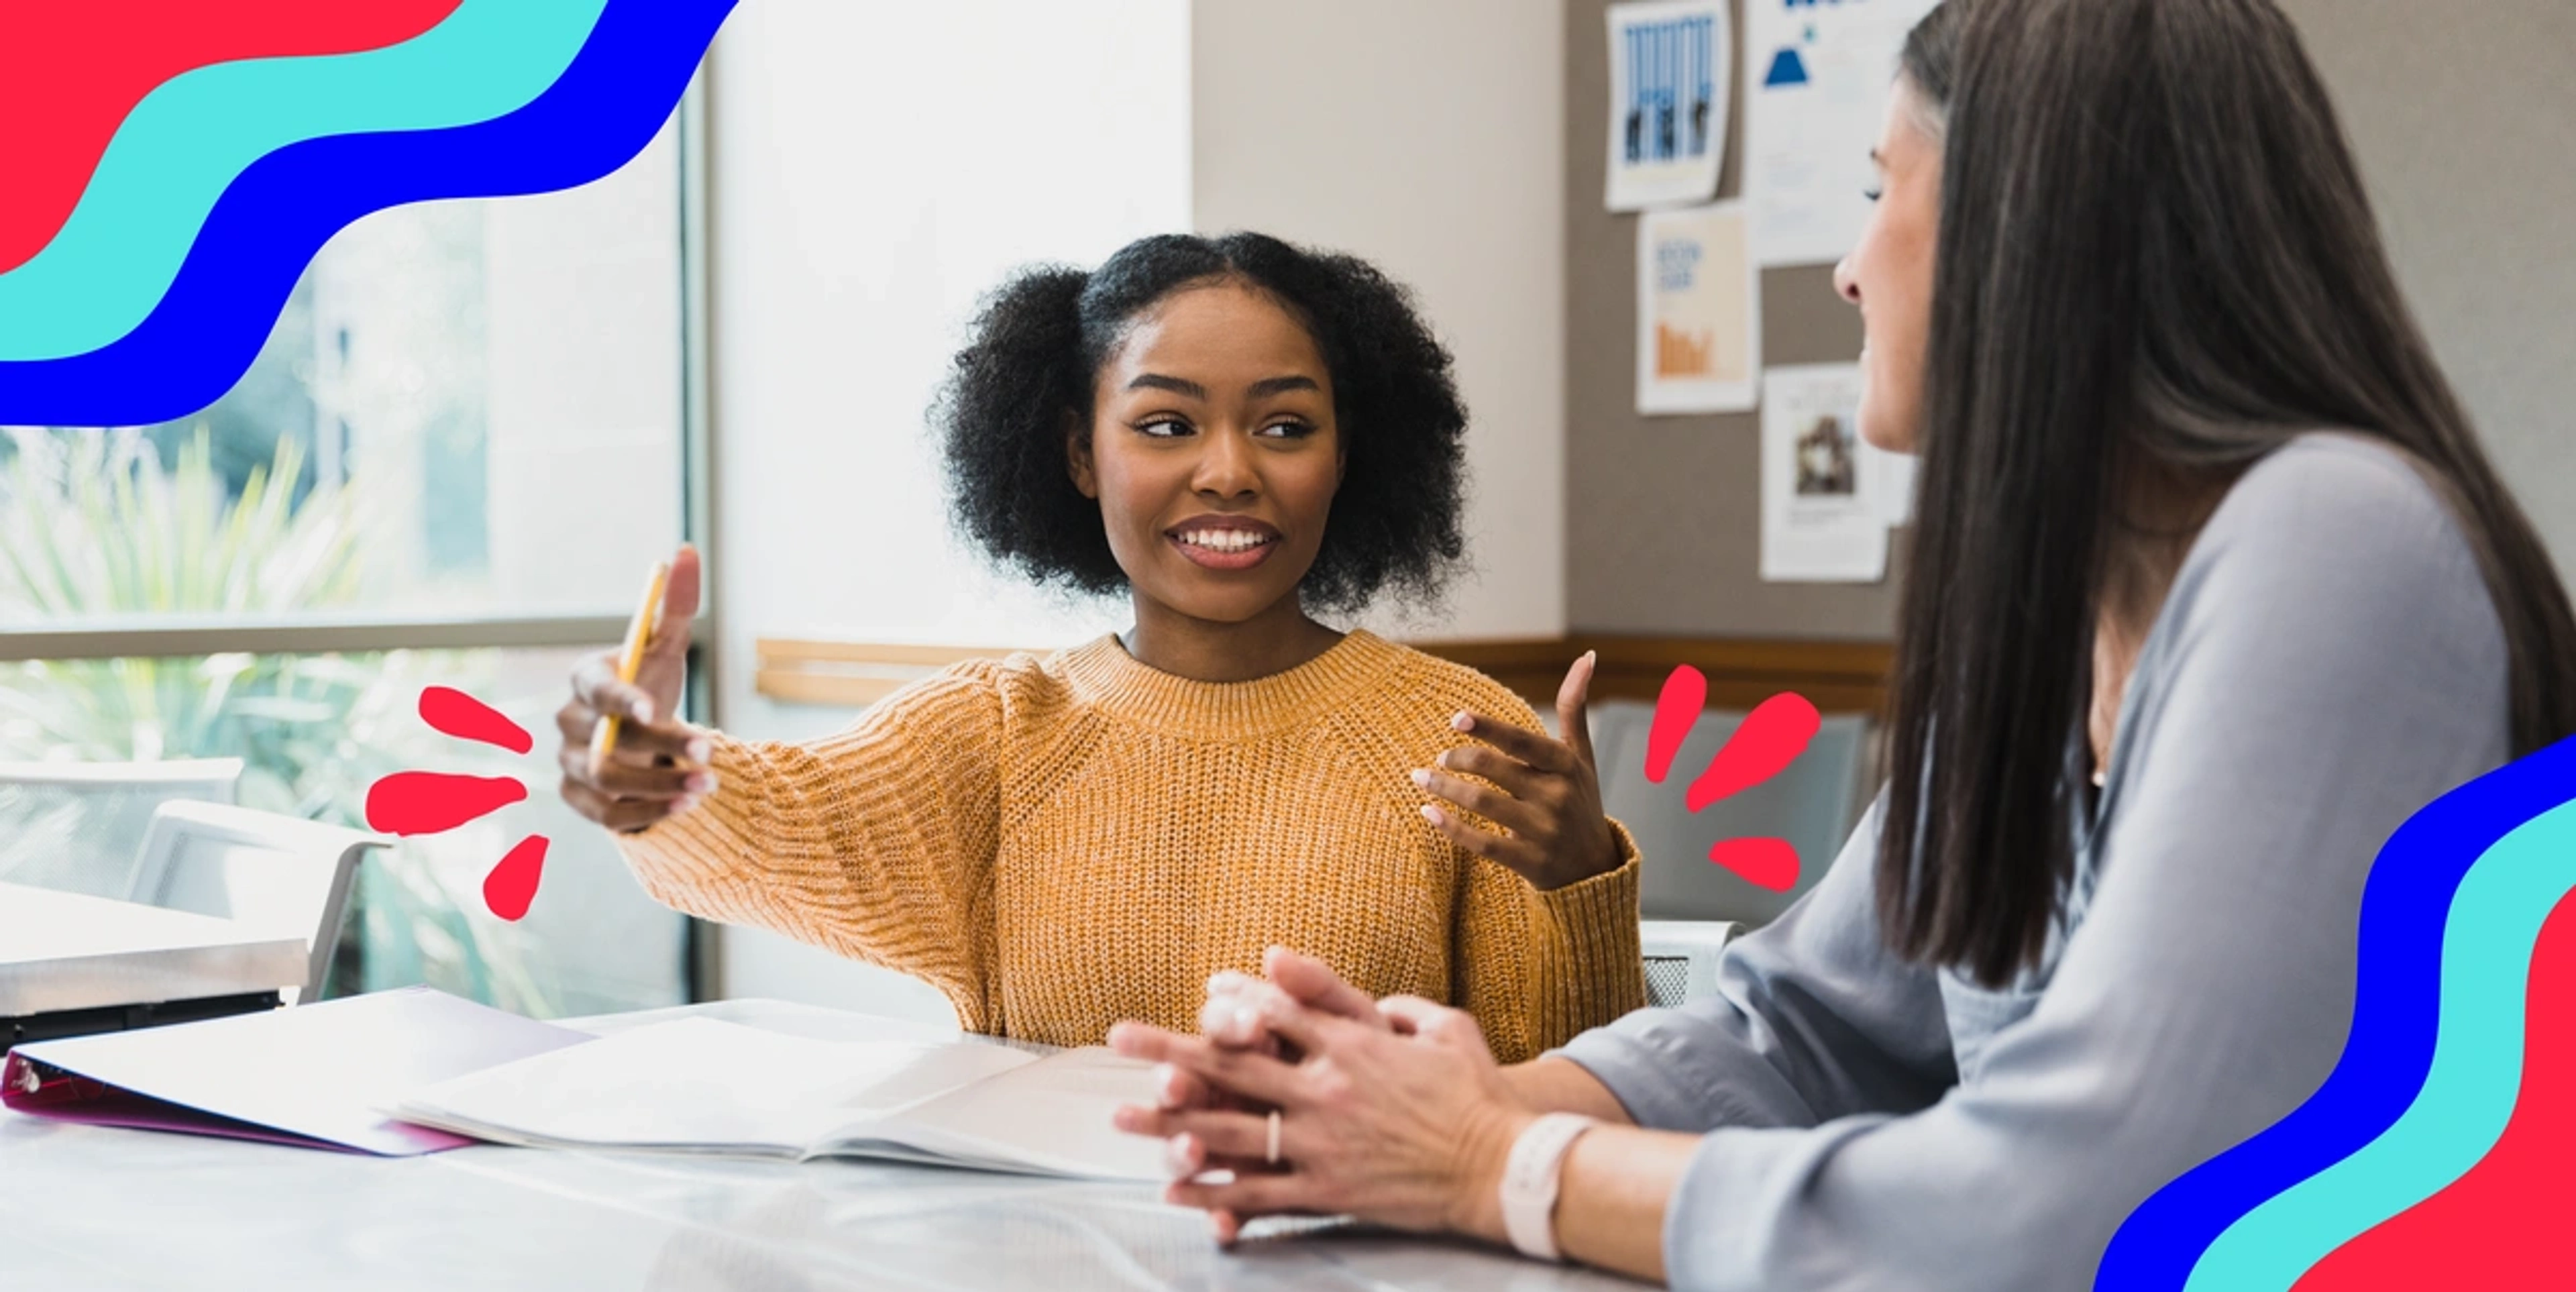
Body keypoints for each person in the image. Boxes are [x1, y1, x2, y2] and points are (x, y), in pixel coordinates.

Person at [1106, 1, 2576, 1286]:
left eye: (1882, 190)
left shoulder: (2341, 538)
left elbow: (2090, 1210)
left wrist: (1498, 1166)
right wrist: (1410, 1102)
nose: (1851, 269)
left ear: (2026, 232)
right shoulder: (2055, 619)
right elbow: (1803, 1032)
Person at [553, 232, 1646, 1057]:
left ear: (1348, 455)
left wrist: (1583, 881)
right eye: (1166, 424)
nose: (1228, 471)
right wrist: (656, 778)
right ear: (1081, 455)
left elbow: (1567, 1096)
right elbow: (784, 817)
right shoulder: (996, 733)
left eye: (1284, 425)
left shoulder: (1454, 734)